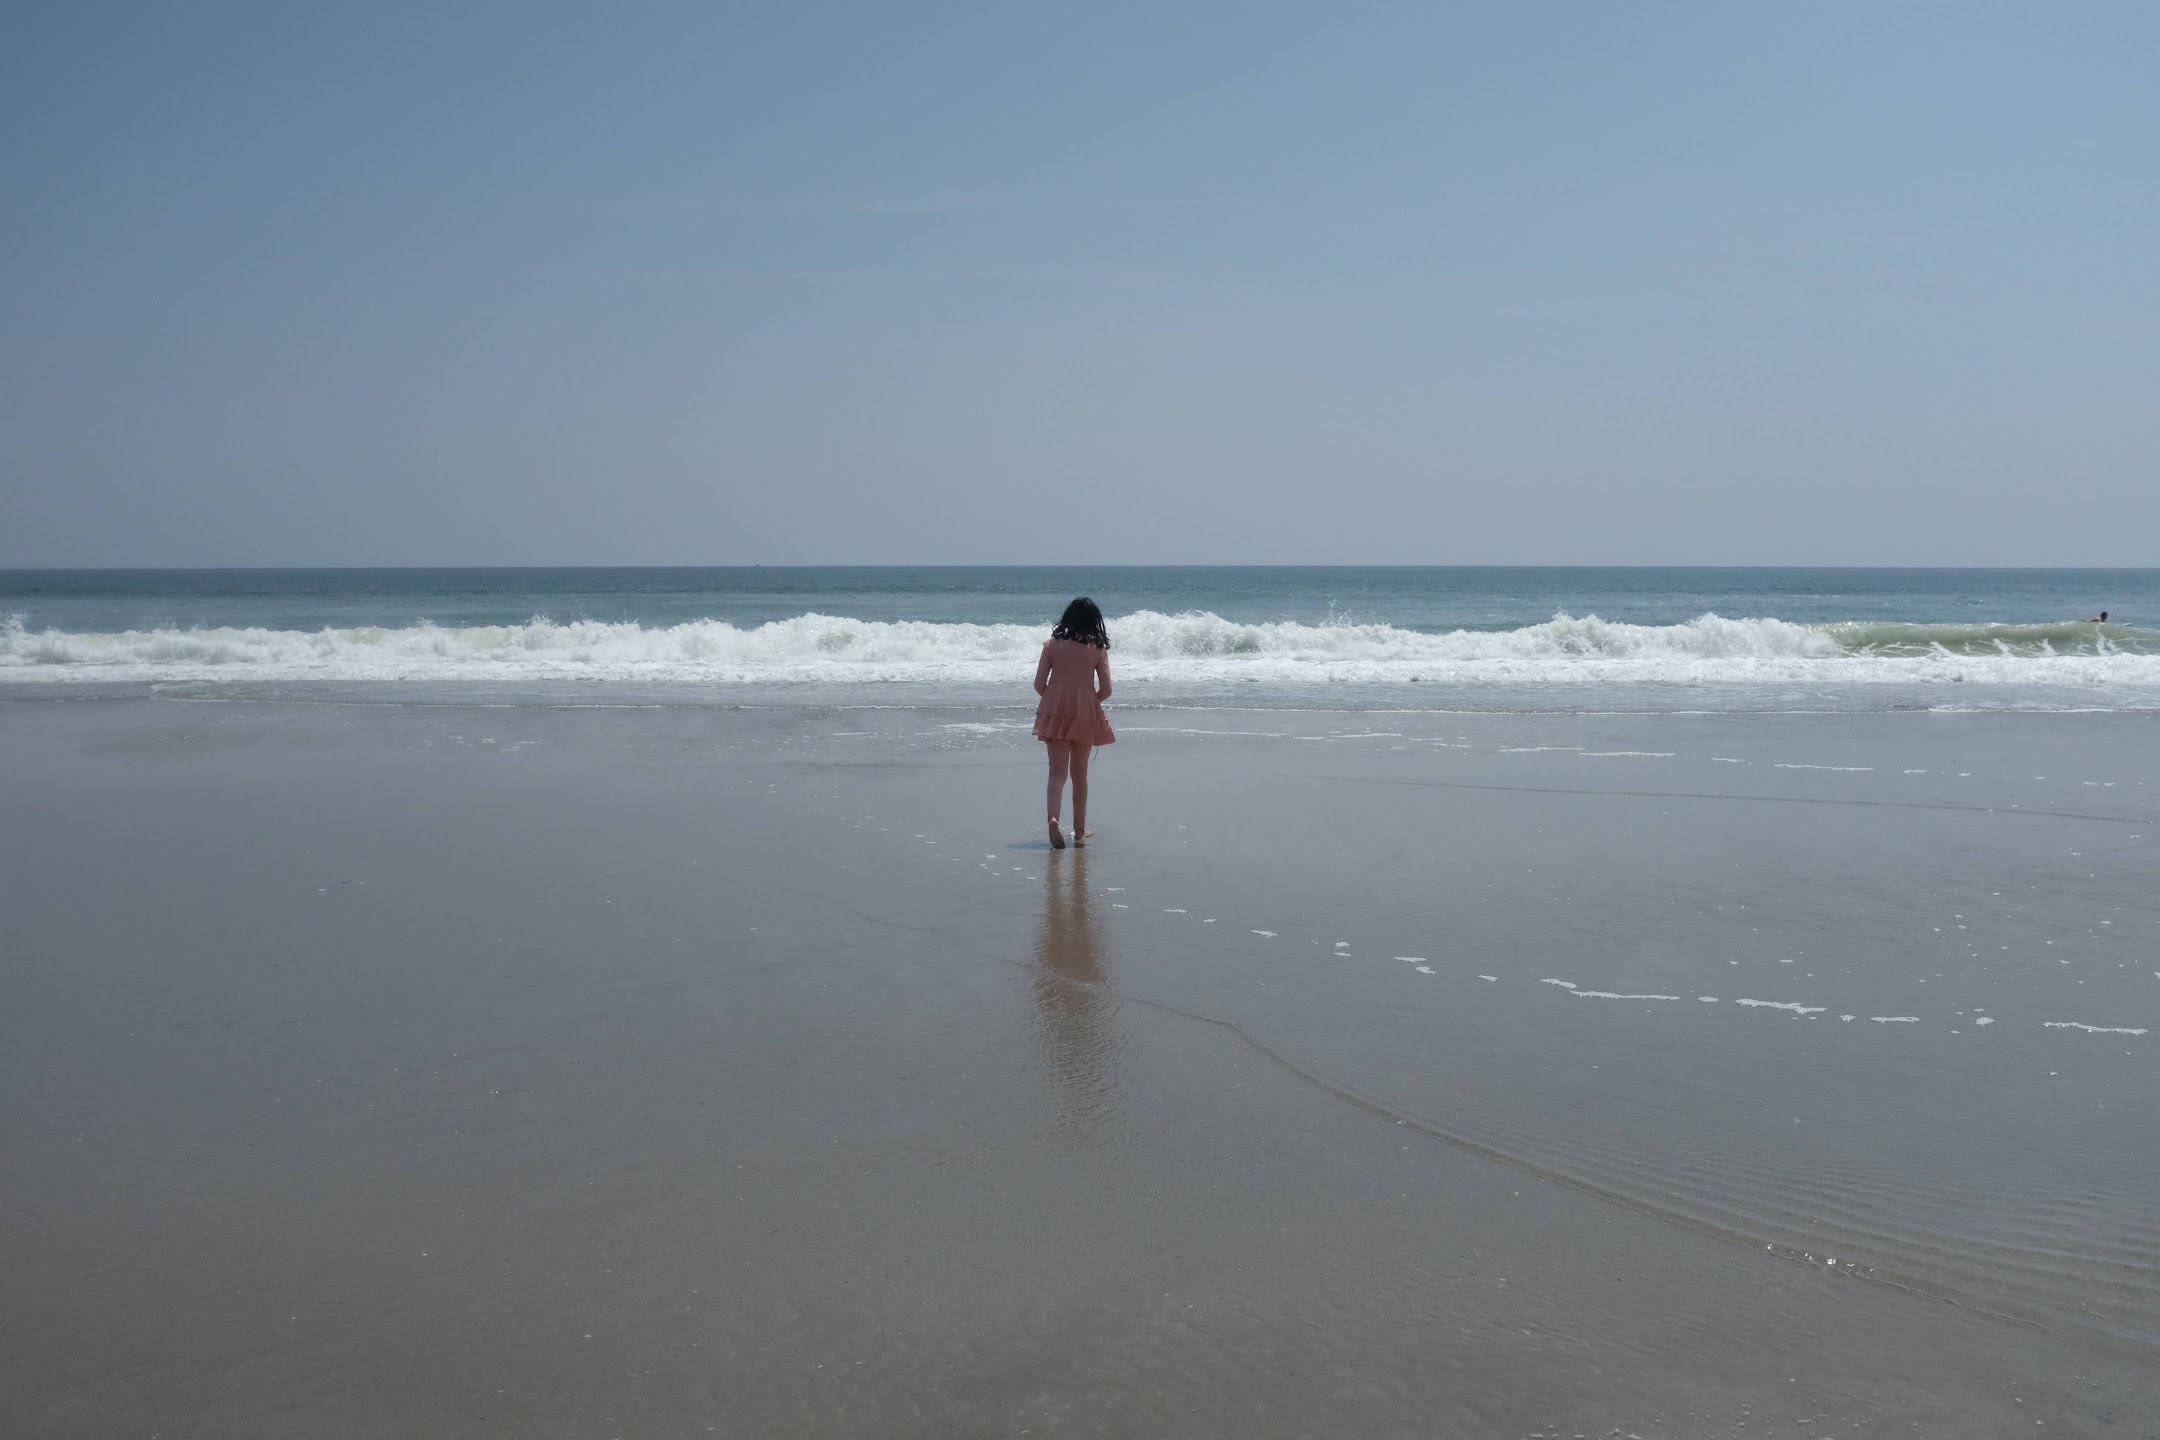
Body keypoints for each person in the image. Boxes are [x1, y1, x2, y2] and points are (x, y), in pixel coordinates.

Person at [1032, 596, 1115, 849]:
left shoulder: (1051, 645)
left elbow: (1038, 685)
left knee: (1056, 773)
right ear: (1094, 621)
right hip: (1085, 712)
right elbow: (1107, 689)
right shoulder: (1098, 649)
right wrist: (1089, 701)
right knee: (1080, 775)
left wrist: (1054, 701)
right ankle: (1079, 832)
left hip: (1055, 709)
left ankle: (1053, 819)